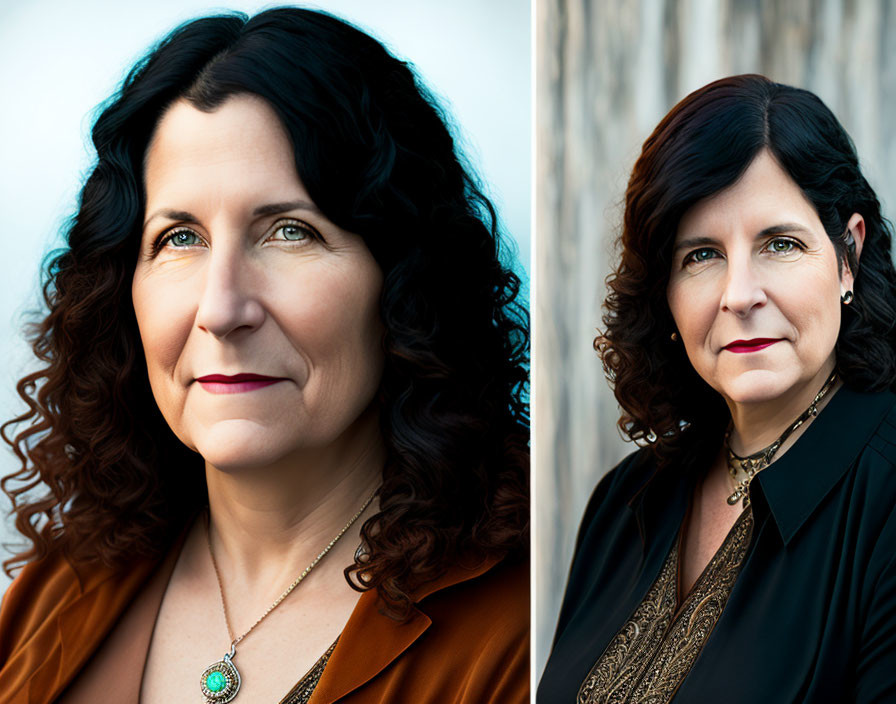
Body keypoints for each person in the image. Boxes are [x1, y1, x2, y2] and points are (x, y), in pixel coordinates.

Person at [0, 9, 529, 704]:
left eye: (289, 231)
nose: (221, 309)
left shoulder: (530, 623)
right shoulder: (60, 584)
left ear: (406, 282)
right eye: (178, 238)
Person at [538, 74, 896, 703]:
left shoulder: (887, 499)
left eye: (779, 244)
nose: (739, 295)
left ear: (848, 255)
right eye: (701, 255)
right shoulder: (624, 501)